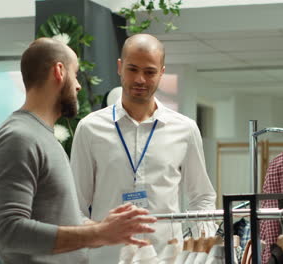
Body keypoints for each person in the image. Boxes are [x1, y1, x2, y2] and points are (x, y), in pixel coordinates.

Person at [0, 38, 157, 264]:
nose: (78, 86)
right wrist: (98, 233)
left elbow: (61, 219)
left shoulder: (42, 136)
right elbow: (10, 231)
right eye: (75, 74)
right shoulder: (19, 138)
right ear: (59, 71)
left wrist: (105, 229)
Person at [70, 33, 217, 263]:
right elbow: (75, 206)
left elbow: (202, 197)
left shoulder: (185, 129)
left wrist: (204, 251)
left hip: (166, 257)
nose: (140, 79)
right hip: (107, 258)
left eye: (149, 72)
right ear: (120, 67)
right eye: (132, 69)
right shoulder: (90, 129)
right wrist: (93, 239)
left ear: (162, 72)